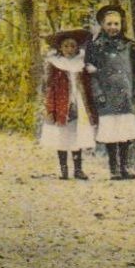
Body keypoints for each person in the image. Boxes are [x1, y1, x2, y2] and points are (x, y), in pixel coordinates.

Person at [85, 3, 135, 179]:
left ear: (121, 24)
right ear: (102, 24)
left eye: (116, 24)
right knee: (111, 131)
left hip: (125, 93)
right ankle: (114, 168)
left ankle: (124, 167)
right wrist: (98, 93)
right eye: (109, 24)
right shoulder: (95, 46)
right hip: (107, 94)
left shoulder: (129, 45)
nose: (113, 28)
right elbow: (91, 73)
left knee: (125, 130)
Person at [40, 28, 97, 180]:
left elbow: (88, 87)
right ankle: (63, 169)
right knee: (62, 136)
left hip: (78, 103)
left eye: (73, 46)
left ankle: (78, 169)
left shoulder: (81, 65)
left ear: (77, 47)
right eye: (66, 46)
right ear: (60, 48)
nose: (69, 50)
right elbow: (50, 88)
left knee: (77, 135)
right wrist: (50, 109)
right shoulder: (56, 65)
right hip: (61, 104)